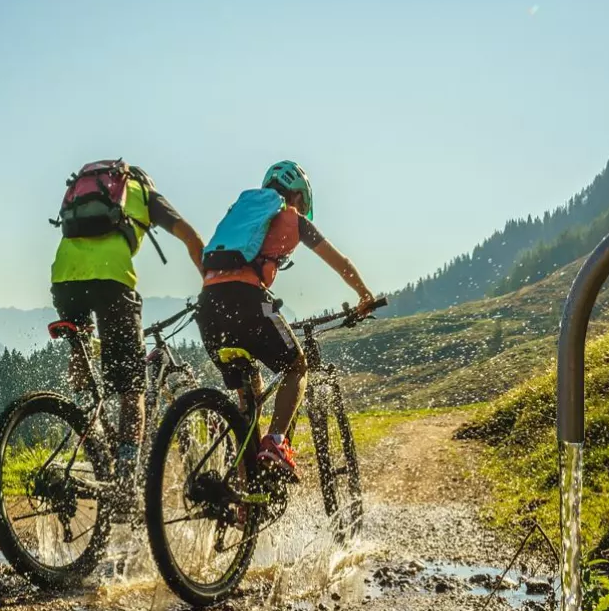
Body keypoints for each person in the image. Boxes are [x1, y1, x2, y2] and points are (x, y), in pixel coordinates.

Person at [194, 160, 376, 480]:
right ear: (295, 197)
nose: (301, 209)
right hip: (249, 300)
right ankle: (277, 443)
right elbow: (340, 261)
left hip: (208, 307)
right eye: (302, 203)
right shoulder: (293, 219)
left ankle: (242, 490)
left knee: (250, 396)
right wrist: (364, 295)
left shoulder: (241, 212)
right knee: (296, 366)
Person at [49, 160, 206, 510]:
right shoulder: (144, 194)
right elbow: (190, 237)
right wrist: (210, 282)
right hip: (111, 281)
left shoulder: (87, 191)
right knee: (132, 389)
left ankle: (89, 429)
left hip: (63, 280)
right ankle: (124, 480)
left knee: (83, 356)